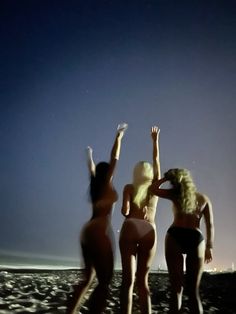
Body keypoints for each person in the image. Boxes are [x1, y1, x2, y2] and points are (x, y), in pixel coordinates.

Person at [67, 123, 127, 314]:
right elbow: (114, 158)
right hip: (100, 229)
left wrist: (90, 156)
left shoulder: (94, 185)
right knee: (104, 283)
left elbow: (91, 168)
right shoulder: (107, 184)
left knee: (87, 278)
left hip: (87, 230)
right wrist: (118, 137)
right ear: (107, 173)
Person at [149, 168, 214, 314]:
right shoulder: (203, 198)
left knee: (177, 289)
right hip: (194, 238)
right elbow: (210, 225)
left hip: (176, 236)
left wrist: (166, 177)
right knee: (192, 292)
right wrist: (209, 246)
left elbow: (153, 189)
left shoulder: (176, 194)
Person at [119, 126, 160, 314]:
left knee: (128, 281)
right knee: (143, 281)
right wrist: (155, 141)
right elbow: (157, 161)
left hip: (130, 227)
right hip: (149, 229)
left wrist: (130, 210)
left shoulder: (129, 187)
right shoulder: (155, 187)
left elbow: (124, 211)